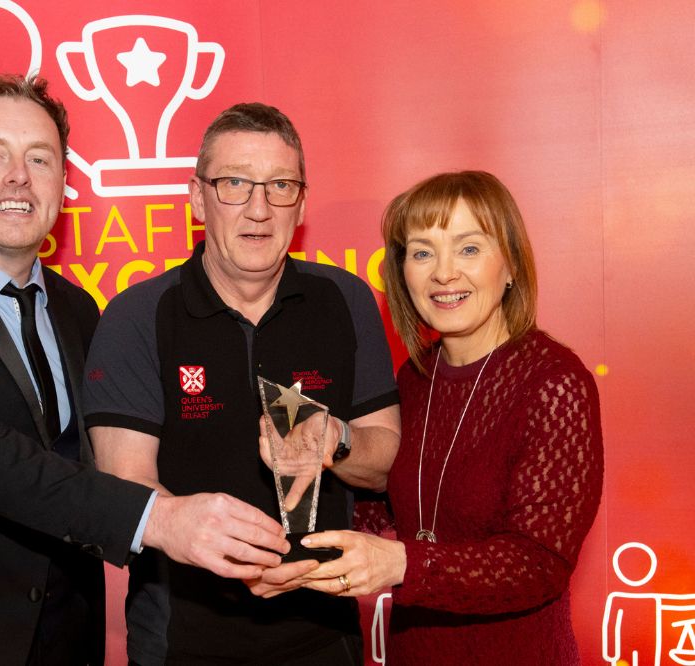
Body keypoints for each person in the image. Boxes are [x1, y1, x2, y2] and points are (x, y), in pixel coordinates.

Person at [0, 74, 290, 666]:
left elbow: (109, 454)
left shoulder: (81, 311)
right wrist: (161, 518)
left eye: (40, 158)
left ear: (63, 184)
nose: (18, 176)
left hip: (69, 640)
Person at [81, 102, 401, 665]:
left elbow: (384, 460)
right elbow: (127, 488)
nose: (259, 208)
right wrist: (235, 557)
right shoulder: (137, 316)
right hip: (181, 644)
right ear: (197, 197)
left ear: (301, 203)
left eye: (280, 186)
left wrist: (337, 440)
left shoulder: (346, 300)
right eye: (234, 184)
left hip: (326, 635)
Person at [250, 171, 604, 665]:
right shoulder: (416, 378)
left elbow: (539, 563)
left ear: (511, 265)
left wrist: (402, 563)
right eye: (422, 253)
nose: (443, 273)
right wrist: (294, 541)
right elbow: (395, 511)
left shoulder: (554, 382)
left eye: (468, 248)